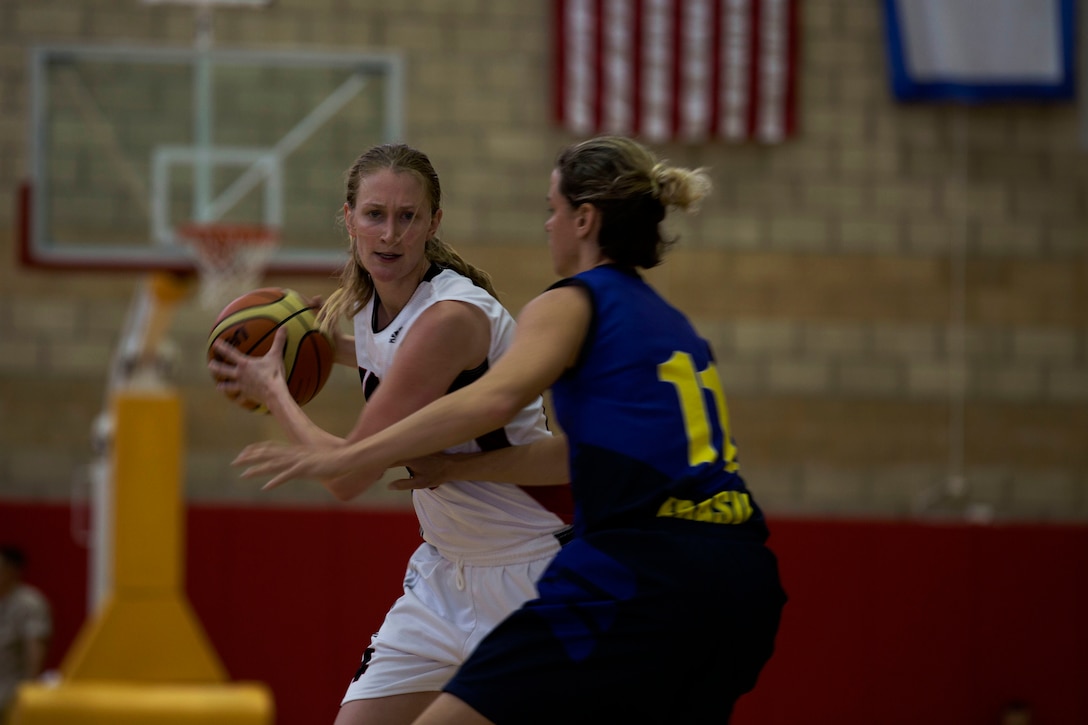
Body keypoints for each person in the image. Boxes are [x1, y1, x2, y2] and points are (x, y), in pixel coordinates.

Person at [233, 135, 788, 724]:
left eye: (552, 209)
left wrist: (315, 430)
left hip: (566, 566)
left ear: (584, 218)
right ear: (349, 219)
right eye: (375, 215)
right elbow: (571, 452)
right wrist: (333, 358)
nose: (546, 224)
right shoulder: (667, 320)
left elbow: (491, 400)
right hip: (719, 566)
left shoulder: (534, 306)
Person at [209, 143, 572, 725]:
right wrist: (320, 345)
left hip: (527, 570)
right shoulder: (366, 309)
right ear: (349, 218)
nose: (390, 234)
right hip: (443, 573)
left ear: (434, 223)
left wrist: (274, 387)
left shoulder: (451, 318)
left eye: (408, 217)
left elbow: (350, 475)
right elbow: (390, 354)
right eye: (375, 214)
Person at [0, 546, 52, 725]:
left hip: (8, 694)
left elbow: (34, 649)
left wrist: (29, 693)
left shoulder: (29, 604)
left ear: (12, 571)